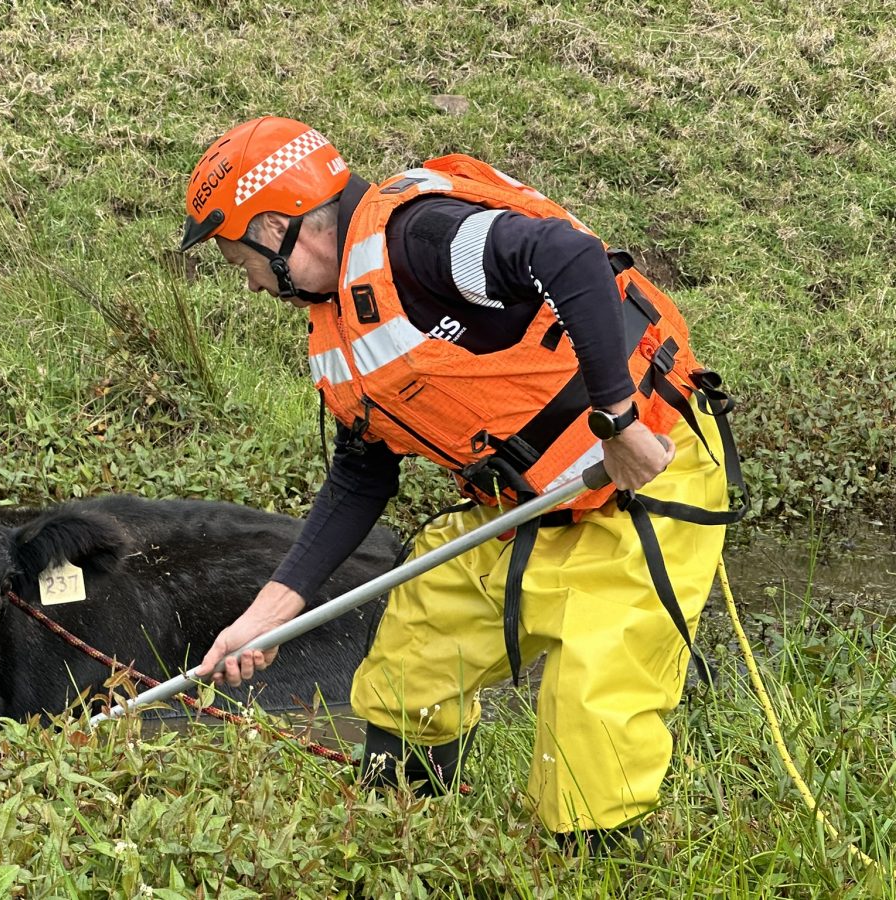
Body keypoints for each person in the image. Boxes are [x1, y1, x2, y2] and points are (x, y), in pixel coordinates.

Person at [180, 116, 743, 848]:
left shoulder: (421, 242)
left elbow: (568, 258)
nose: (252, 284)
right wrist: (268, 613)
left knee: (590, 724)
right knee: (416, 648)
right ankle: (399, 844)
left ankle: (590, 867)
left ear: (285, 227)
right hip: (531, 511)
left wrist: (620, 418)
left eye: (242, 260)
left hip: (647, 481)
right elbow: (360, 478)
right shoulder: (337, 323)